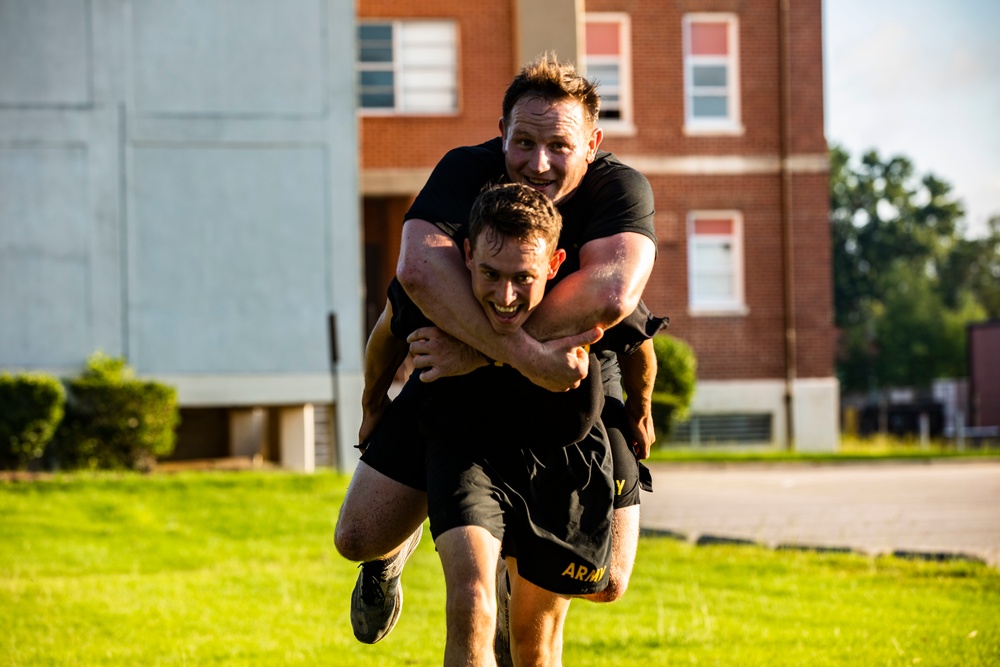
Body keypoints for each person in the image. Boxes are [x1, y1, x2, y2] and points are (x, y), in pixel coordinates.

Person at [335, 53, 661, 652]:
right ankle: (395, 559)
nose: (538, 164)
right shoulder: (467, 173)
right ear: (502, 132)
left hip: (574, 381)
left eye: (559, 146)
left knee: (608, 580)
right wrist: (376, 398)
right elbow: (413, 276)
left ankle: (512, 572)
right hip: (455, 377)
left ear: (592, 142)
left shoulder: (619, 188)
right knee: (358, 536)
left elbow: (616, 298)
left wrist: (489, 351)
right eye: (523, 142)